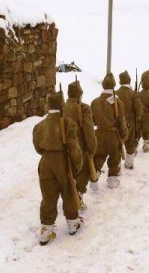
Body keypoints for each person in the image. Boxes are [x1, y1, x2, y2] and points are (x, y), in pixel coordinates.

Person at [33, 91, 83, 245]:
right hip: (62, 160)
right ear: (61, 105)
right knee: (68, 190)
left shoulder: (39, 126)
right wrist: (77, 164)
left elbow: (38, 147)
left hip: (46, 162)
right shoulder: (68, 123)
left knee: (48, 195)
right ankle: (72, 222)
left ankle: (46, 230)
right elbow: (74, 147)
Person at [90, 73, 128, 189]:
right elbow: (121, 121)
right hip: (113, 134)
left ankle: (94, 177)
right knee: (115, 155)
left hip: (99, 134)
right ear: (114, 85)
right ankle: (112, 179)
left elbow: (93, 121)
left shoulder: (95, 102)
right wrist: (124, 134)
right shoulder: (118, 102)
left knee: (99, 156)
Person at [63, 80, 96, 210]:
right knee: (85, 170)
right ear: (79, 94)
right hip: (80, 146)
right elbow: (89, 129)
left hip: (64, 148)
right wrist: (92, 148)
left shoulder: (62, 108)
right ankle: (78, 196)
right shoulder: (84, 108)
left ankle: (71, 196)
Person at [116, 71, 143, 169]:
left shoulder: (115, 94)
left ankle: (116, 165)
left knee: (117, 143)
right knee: (131, 142)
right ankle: (129, 163)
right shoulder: (133, 94)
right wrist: (137, 120)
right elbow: (139, 109)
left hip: (117, 122)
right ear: (130, 81)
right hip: (130, 122)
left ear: (120, 82)